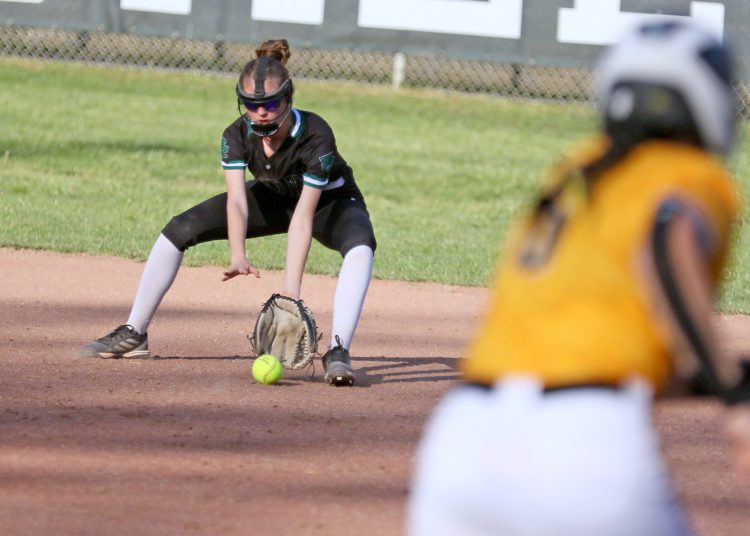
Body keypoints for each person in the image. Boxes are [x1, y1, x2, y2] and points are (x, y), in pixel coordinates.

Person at [407, 19, 750, 535]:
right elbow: (667, 235)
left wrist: (717, 376)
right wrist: (734, 397)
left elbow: (588, 348)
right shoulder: (689, 173)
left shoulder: (575, 173)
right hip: (585, 454)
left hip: (461, 443)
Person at [80, 39, 376, 387]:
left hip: (330, 202)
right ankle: (134, 331)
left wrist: (290, 297)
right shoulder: (234, 135)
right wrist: (238, 253)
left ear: (289, 99)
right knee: (179, 228)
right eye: (252, 104)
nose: (261, 112)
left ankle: (338, 350)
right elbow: (237, 200)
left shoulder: (315, 135)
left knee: (360, 245)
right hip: (274, 197)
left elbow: (302, 219)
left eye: (271, 103)